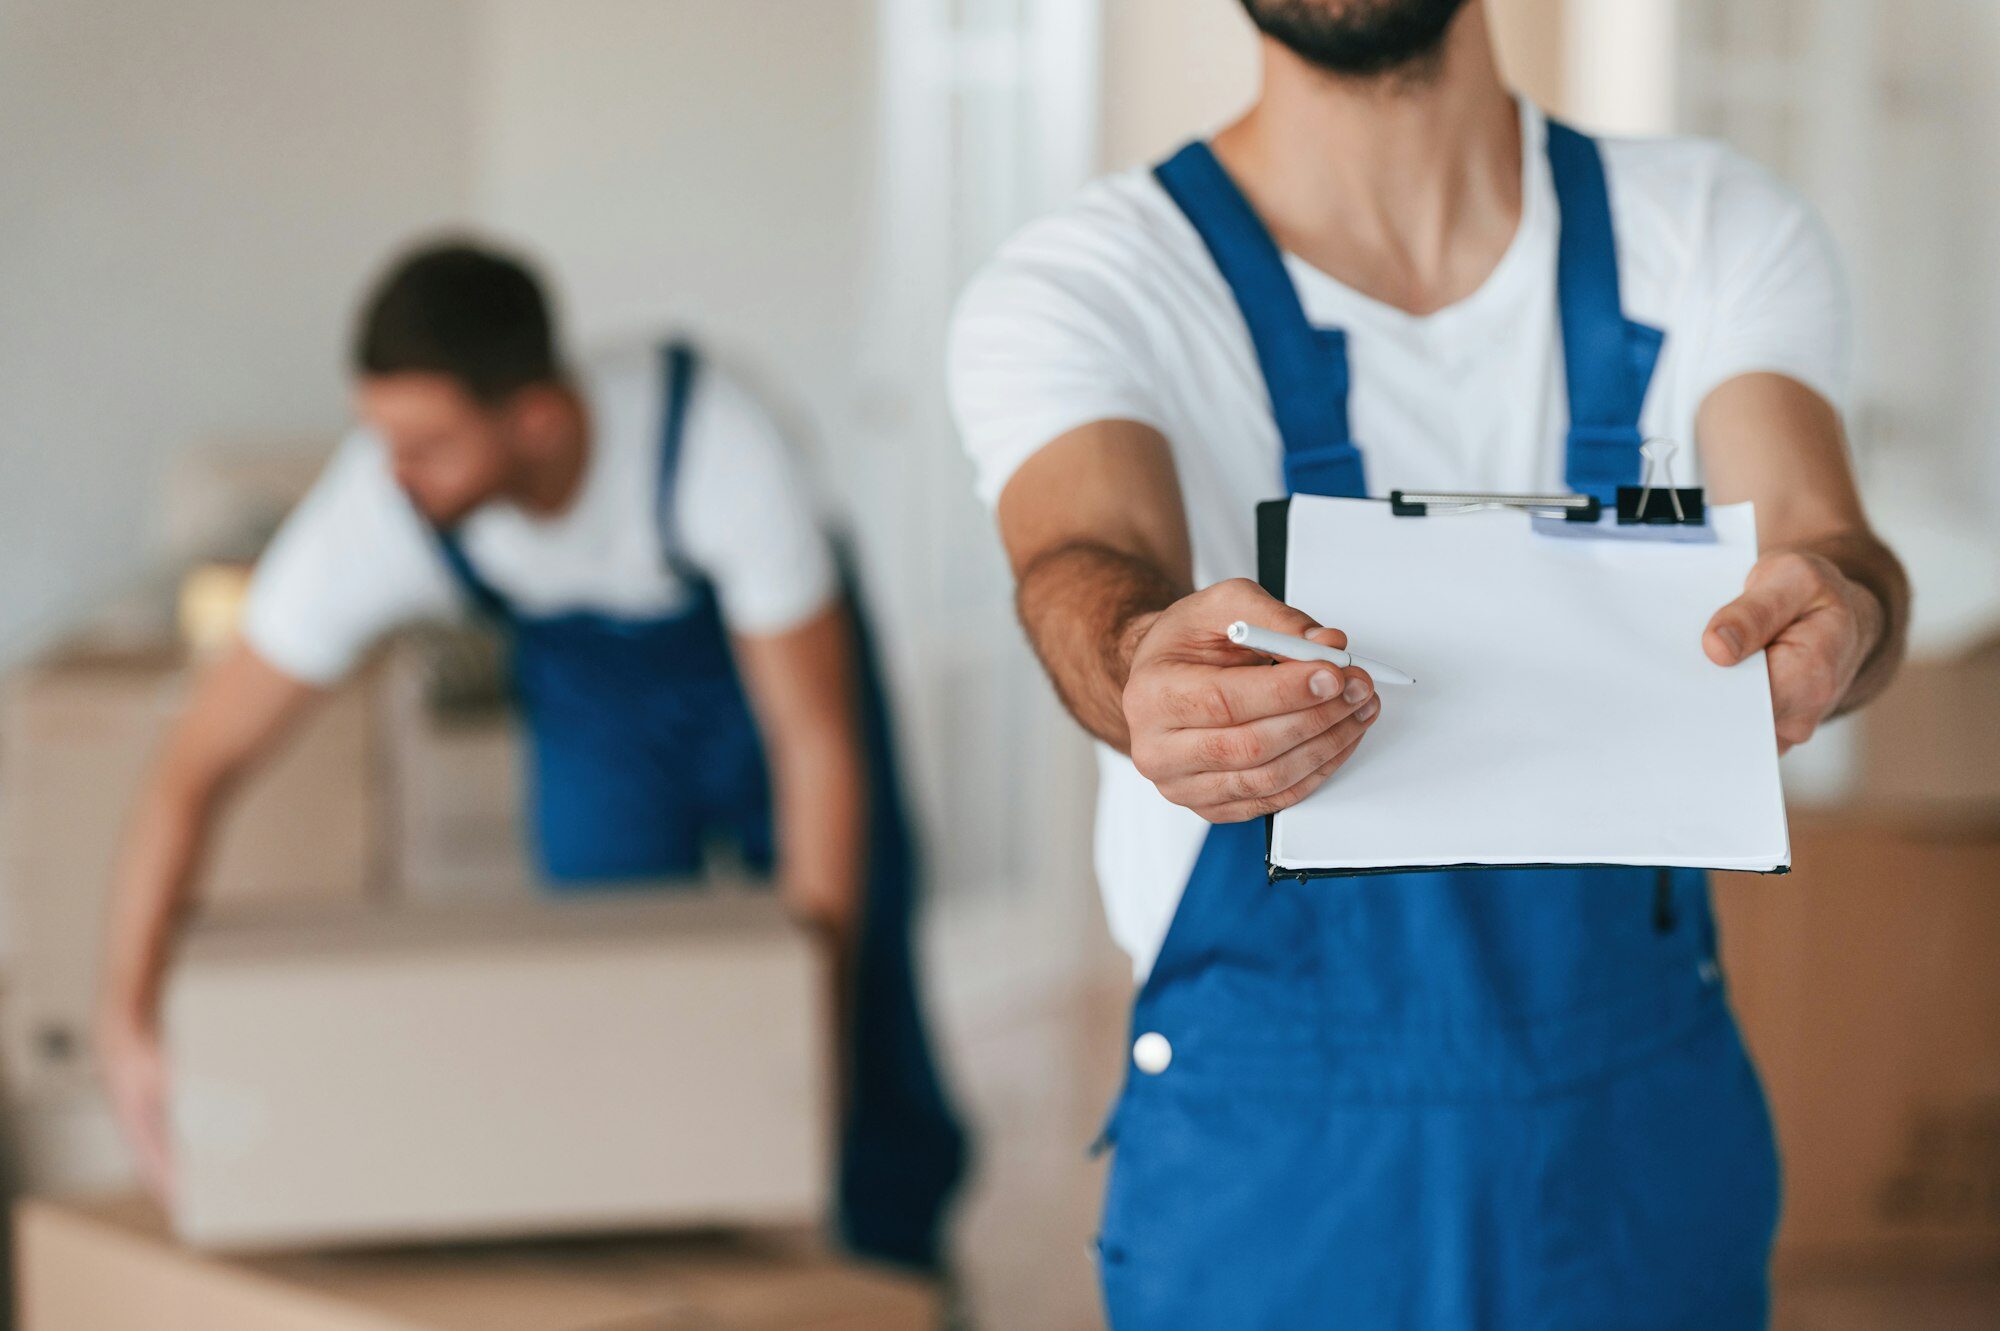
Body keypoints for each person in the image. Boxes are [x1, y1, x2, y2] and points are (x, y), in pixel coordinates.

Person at [948, 1, 1908, 1325]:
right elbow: (1084, 550)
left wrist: (1842, 608)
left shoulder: (1710, 229)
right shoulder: (1088, 279)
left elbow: (1823, 536)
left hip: (1634, 1172)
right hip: (1276, 1185)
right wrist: (1133, 659)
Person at [96, 240, 967, 1273]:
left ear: (537, 420)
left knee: (857, 988)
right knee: (613, 999)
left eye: (425, 443)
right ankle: (672, 1281)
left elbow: (814, 745)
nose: (395, 473)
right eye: (380, 437)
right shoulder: (382, 511)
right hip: (597, 712)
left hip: (778, 687)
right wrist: (127, 1011)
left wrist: (806, 1033)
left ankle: (899, 1274)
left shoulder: (717, 445)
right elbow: (196, 763)